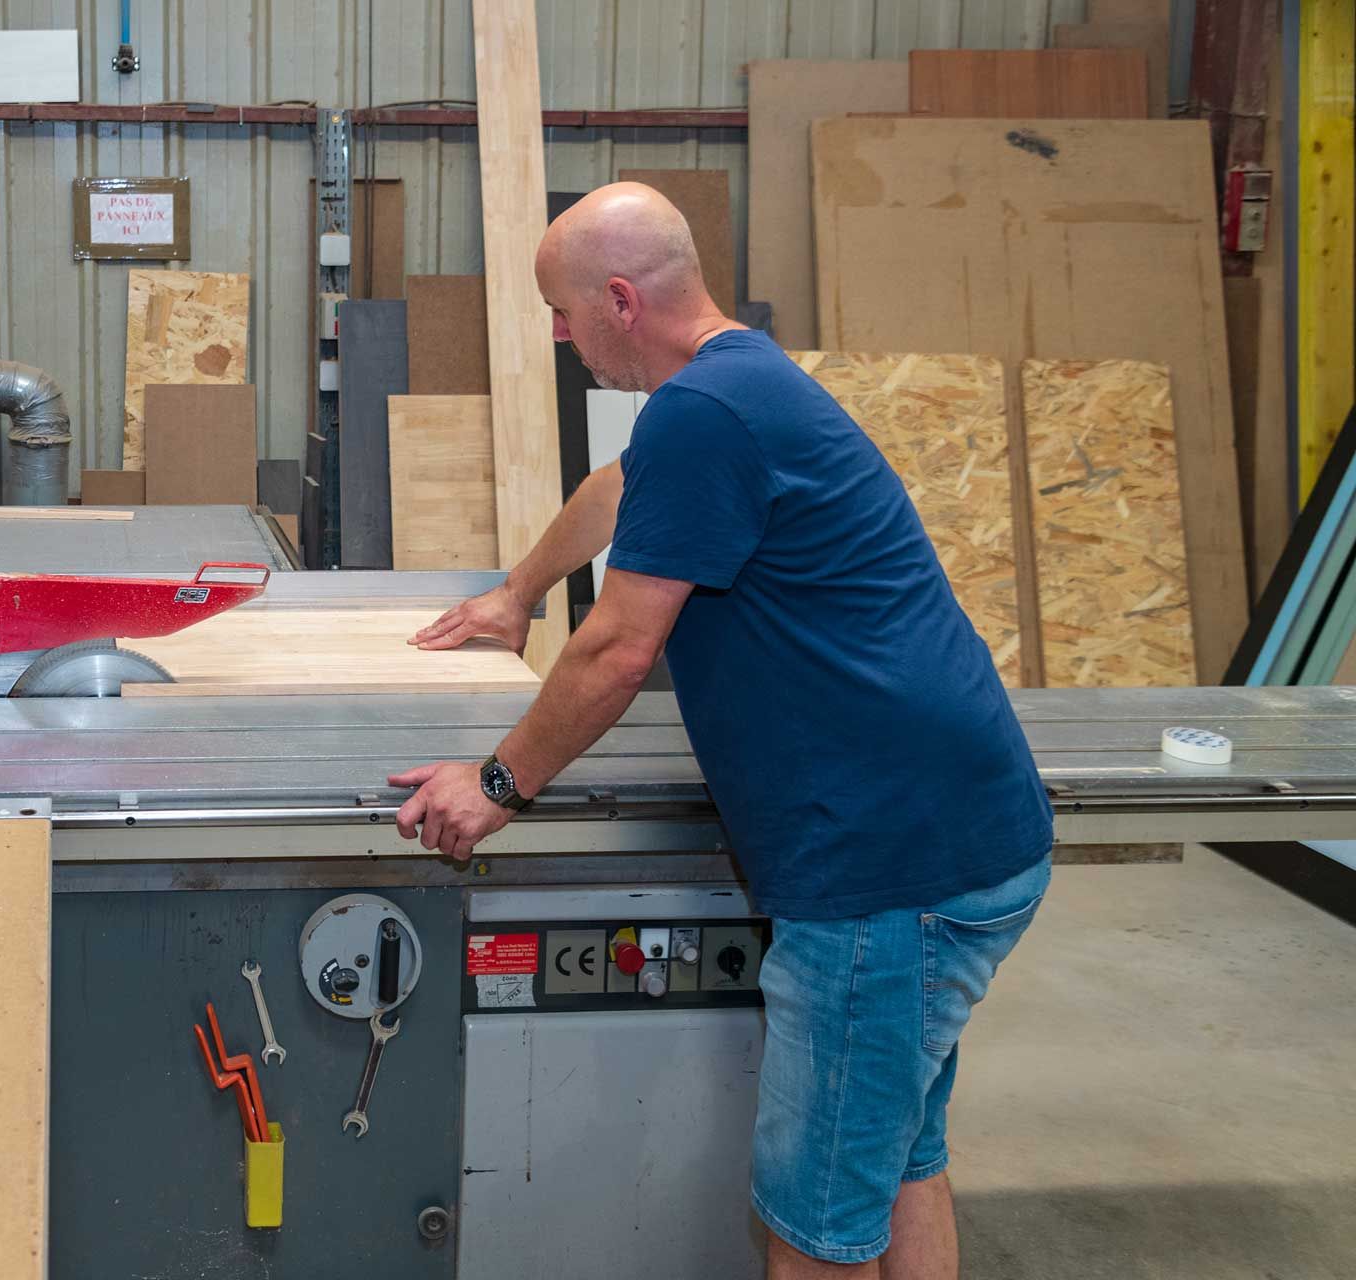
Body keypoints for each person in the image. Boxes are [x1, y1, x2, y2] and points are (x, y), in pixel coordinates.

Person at [386, 183, 1054, 1278]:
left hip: (886, 870)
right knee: (896, 1161)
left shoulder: (705, 410)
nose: (557, 336)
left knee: (816, 1229)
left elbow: (617, 649)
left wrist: (497, 783)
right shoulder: (736, 379)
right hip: (961, 835)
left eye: (561, 311)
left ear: (616, 300)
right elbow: (620, 487)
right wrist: (517, 591)